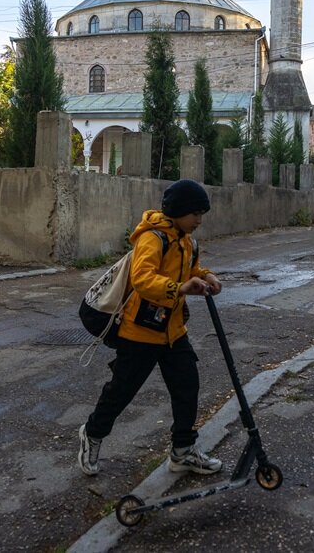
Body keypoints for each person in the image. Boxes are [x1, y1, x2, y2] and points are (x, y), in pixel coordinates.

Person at [78, 179, 223, 477]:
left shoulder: (186, 240)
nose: (199, 220)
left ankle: (182, 451)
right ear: (179, 211)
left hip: (173, 332)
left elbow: (188, 270)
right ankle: (92, 434)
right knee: (121, 392)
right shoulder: (153, 238)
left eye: (201, 214)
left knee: (187, 386)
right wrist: (180, 288)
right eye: (195, 213)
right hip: (139, 332)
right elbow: (143, 279)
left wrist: (206, 276)